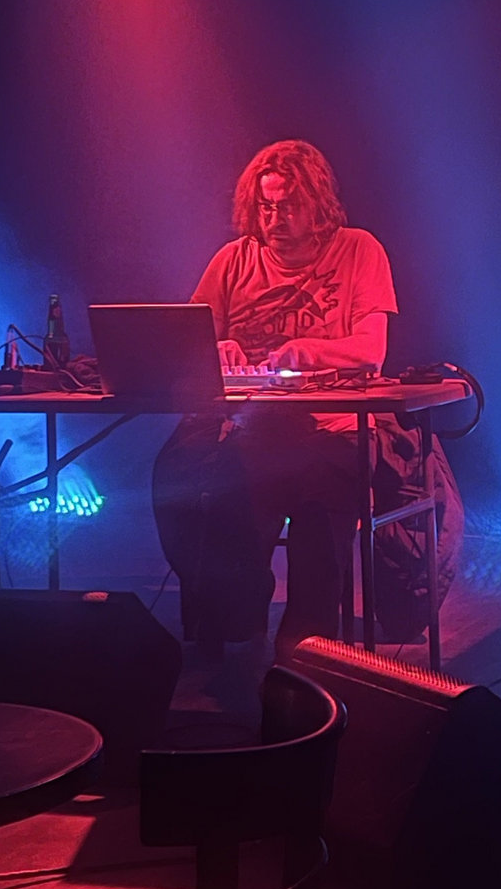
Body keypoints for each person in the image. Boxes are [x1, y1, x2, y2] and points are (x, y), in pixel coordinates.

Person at [151, 139, 401, 660]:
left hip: (331, 426)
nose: (274, 218)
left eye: (287, 206)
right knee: (178, 478)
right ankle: (231, 624)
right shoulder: (233, 260)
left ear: (318, 203)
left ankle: (306, 651)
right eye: (265, 206)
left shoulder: (358, 249)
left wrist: (312, 350)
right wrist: (216, 349)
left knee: (318, 505)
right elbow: (186, 341)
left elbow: (372, 350)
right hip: (244, 425)